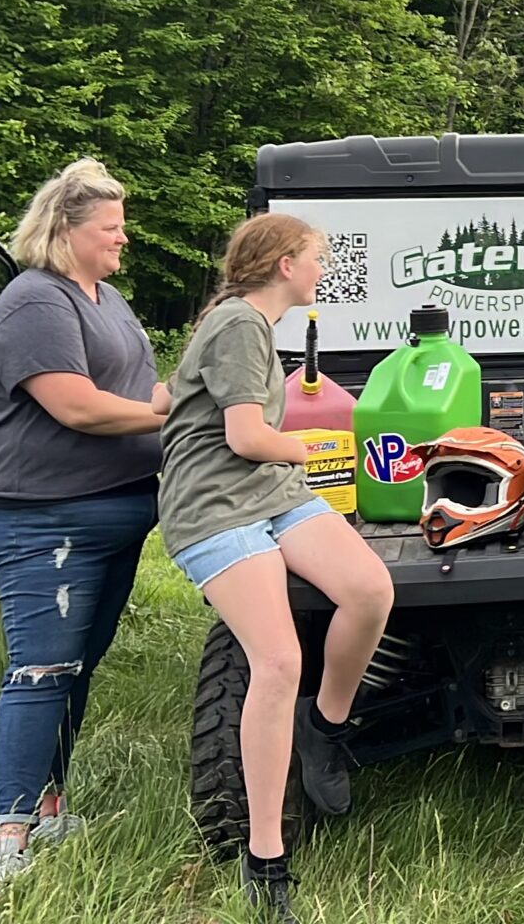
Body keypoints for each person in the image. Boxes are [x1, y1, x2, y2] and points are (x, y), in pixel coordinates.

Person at [160, 214, 395, 922]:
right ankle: (267, 860)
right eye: (317, 259)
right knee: (280, 661)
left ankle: (326, 730)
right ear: (285, 263)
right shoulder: (238, 323)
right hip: (215, 506)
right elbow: (244, 435)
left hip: (268, 493)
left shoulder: (255, 324)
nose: (323, 270)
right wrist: (315, 446)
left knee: (369, 589)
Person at [0, 158, 172, 889]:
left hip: (117, 508)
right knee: (42, 668)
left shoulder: (105, 297)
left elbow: (134, 385)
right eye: (110, 228)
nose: (124, 240)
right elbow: (78, 406)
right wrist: (166, 410)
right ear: (65, 230)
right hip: (43, 518)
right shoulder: (35, 304)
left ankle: (50, 808)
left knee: (76, 668)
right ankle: (8, 840)